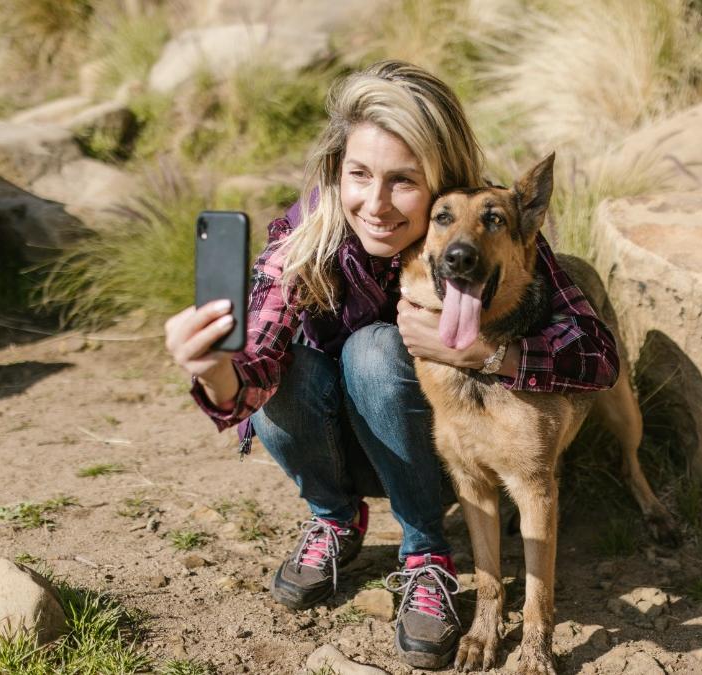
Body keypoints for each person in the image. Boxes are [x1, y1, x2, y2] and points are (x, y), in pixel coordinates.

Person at [163, 60, 620, 669]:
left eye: (403, 181)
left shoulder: (479, 225)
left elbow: (598, 355)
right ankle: (332, 516)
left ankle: (425, 551)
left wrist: (487, 352)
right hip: (337, 440)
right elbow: (252, 371)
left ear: (441, 180)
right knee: (296, 365)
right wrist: (213, 366)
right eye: (359, 175)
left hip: (424, 451)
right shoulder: (307, 237)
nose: (374, 204)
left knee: (375, 350)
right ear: (337, 173)